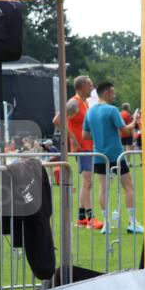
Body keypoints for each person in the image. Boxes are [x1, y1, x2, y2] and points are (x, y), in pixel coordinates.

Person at [83, 81, 142, 234]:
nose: (114, 95)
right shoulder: (112, 110)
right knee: (128, 186)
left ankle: (106, 223)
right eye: (113, 92)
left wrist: (100, 136)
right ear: (107, 93)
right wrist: (134, 122)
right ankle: (132, 222)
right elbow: (125, 131)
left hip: (99, 155)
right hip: (116, 154)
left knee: (103, 188)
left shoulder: (90, 112)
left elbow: (85, 135)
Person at [55, 75, 101, 229]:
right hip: (82, 148)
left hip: (87, 147)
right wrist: (73, 138)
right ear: (82, 86)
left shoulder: (84, 102)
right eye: (90, 84)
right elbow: (57, 120)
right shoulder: (73, 102)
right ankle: (90, 218)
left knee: (87, 183)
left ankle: (82, 218)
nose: (92, 87)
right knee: (87, 182)